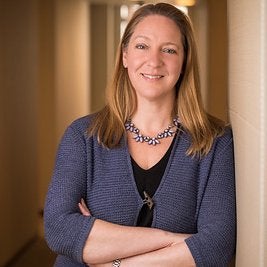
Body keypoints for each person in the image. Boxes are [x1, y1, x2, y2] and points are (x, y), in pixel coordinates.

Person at [44, 2, 236, 266]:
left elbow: (217, 246)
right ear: (124, 56)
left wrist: (112, 260)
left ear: (184, 61)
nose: (154, 61)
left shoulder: (215, 142)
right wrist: (175, 240)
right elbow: (59, 229)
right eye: (142, 46)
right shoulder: (83, 136)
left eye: (169, 50)